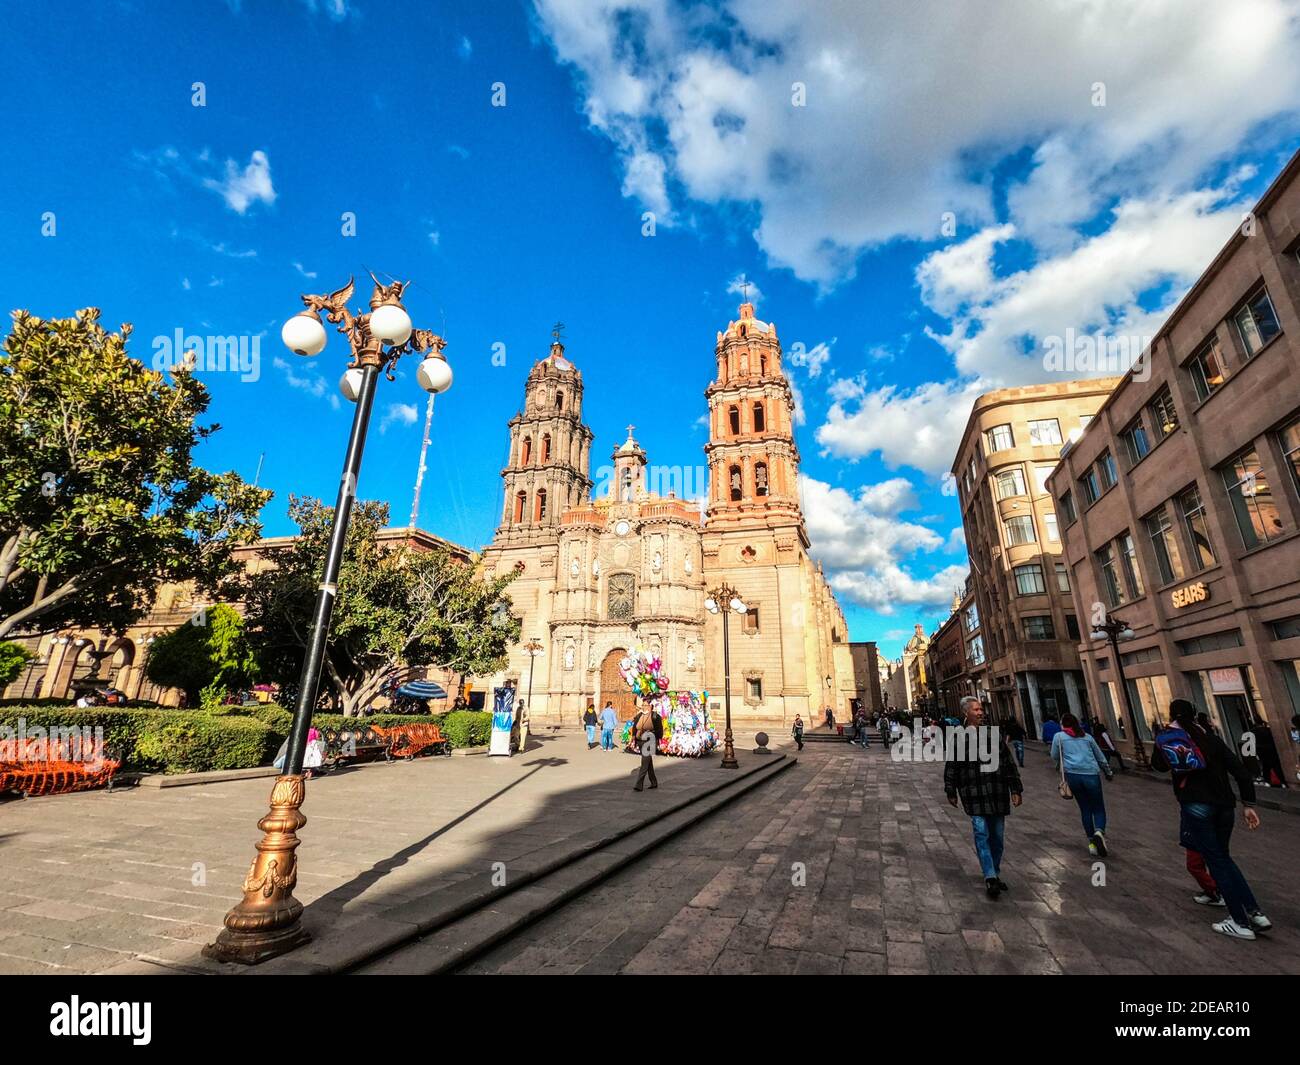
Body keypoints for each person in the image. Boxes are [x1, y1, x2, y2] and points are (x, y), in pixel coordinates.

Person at [1150, 699, 1271, 941]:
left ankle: (1239, 921)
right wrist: (1249, 805)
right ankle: (1255, 912)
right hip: (1225, 805)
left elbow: (1158, 766)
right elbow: (1240, 772)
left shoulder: (1169, 738)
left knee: (1215, 860)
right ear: (1195, 715)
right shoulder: (1211, 738)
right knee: (1223, 858)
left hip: (1196, 804)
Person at [944, 695, 1023, 900]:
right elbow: (952, 766)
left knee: (997, 837)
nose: (980, 713)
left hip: (997, 792)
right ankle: (989, 876)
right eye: (976, 710)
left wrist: (1015, 788)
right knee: (981, 834)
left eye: (981, 710)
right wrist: (950, 790)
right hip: (974, 794)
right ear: (966, 713)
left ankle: (994, 871)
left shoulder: (993, 734)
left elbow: (1007, 762)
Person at [1051, 712, 1114, 856]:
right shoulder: (1087, 737)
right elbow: (1100, 757)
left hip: (1073, 776)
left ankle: (1092, 843)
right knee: (1098, 807)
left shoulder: (1059, 737)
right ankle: (1099, 832)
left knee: (1085, 809)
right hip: (1091, 774)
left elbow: (1054, 755)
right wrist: (1108, 771)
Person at [632, 700, 662, 792]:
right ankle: (654, 782)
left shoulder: (655, 716)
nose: (643, 707)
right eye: (643, 705)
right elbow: (634, 727)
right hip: (640, 741)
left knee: (644, 763)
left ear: (650, 706)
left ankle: (639, 784)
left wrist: (653, 735)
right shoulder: (639, 716)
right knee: (648, 762)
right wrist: (633, 737)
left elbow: (660, 730)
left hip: (650, 741)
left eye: (645, 705)